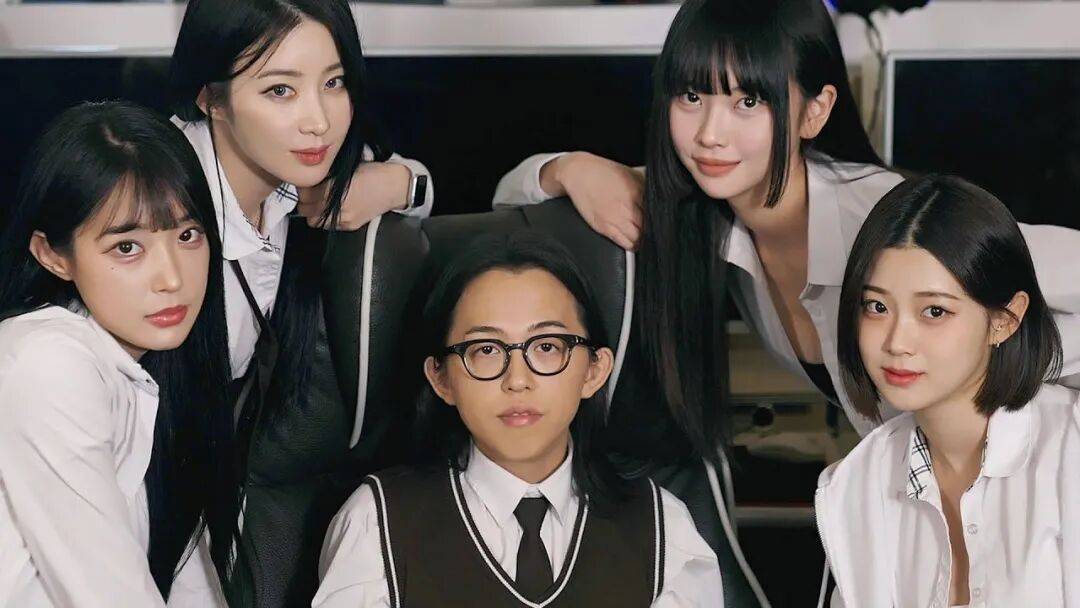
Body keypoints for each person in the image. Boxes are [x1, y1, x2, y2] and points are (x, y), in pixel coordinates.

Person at [493, 0, 1080, 452]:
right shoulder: (703, 210)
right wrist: (567, 168)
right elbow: (507, 202)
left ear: (814, 111)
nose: (710, 134)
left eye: (748, 102)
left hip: (1039, 466)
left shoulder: (888, 219)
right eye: (692, 96)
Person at [168, 1, 437, 601]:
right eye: (280, 90)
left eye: (334, 83)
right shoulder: (156, 202)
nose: (318, 121)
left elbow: (422, 184)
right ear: (212, 98)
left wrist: (396, 183)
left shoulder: (290, 171)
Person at [314, 232, 723, 607]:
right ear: (441, 379)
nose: (518, 380)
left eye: (547, 346)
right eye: (486, 350)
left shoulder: (662, 529)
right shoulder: (377, 523)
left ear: (594, 370)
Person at [0, 101, 236, 606]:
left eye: (188, 235)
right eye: (127, 247)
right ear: (52, 255)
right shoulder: (46, 361)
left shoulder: (148, 376)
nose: (172, 278)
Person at [817, 175, 1080, 607]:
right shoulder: (855, 486)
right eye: (877, 307)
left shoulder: (1070, 449)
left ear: (1005, 320)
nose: (897, 342)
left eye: (934, 311)